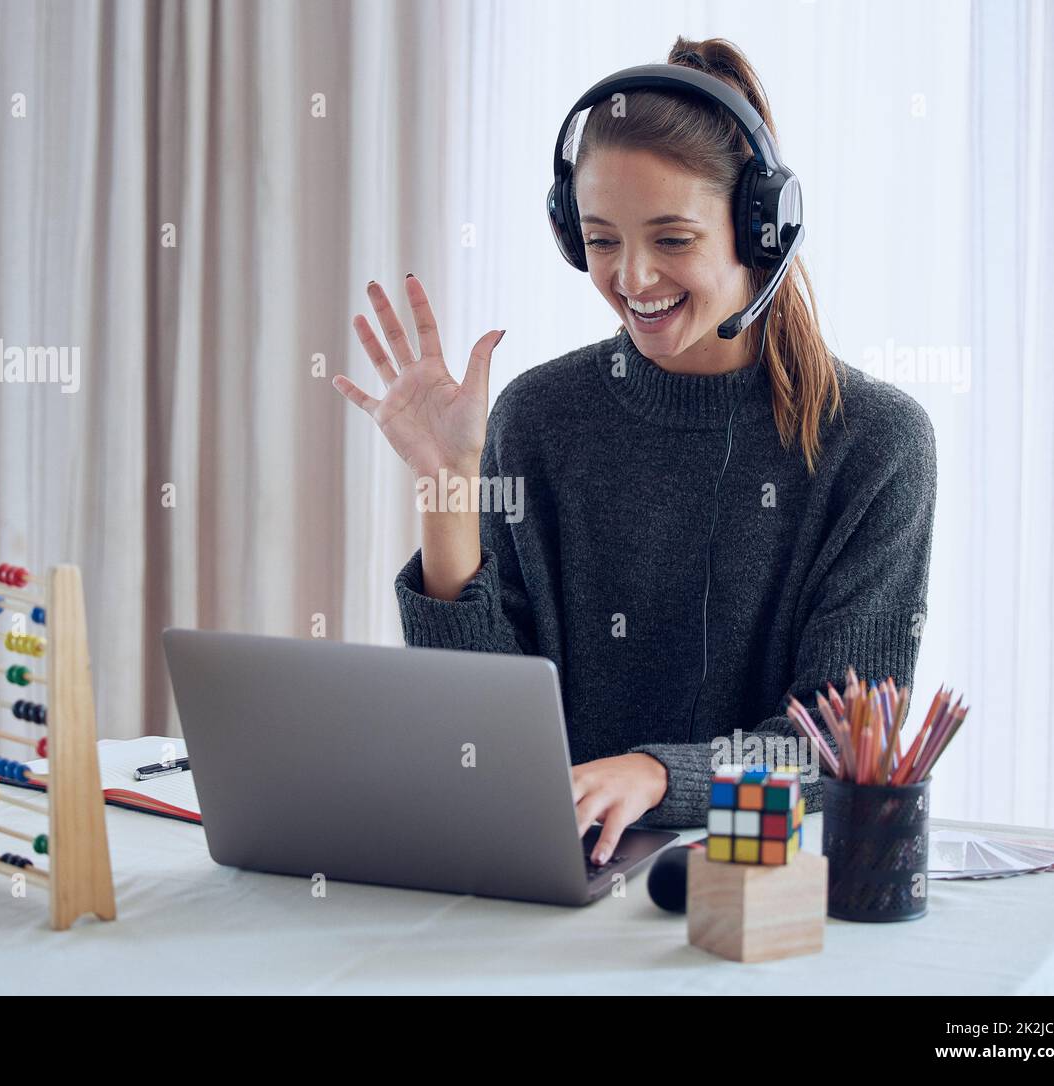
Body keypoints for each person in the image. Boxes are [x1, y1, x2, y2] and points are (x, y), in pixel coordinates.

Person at [332, 36, 937, 867]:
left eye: (673, 238)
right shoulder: (538, 416)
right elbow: (478, 730)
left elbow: (833, 750)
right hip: (555, 874)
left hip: (758, 890)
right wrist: (449, 486)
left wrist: (657, 775)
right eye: (602, 239)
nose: (633, 277)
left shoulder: (873, 443)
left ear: (763, 230)